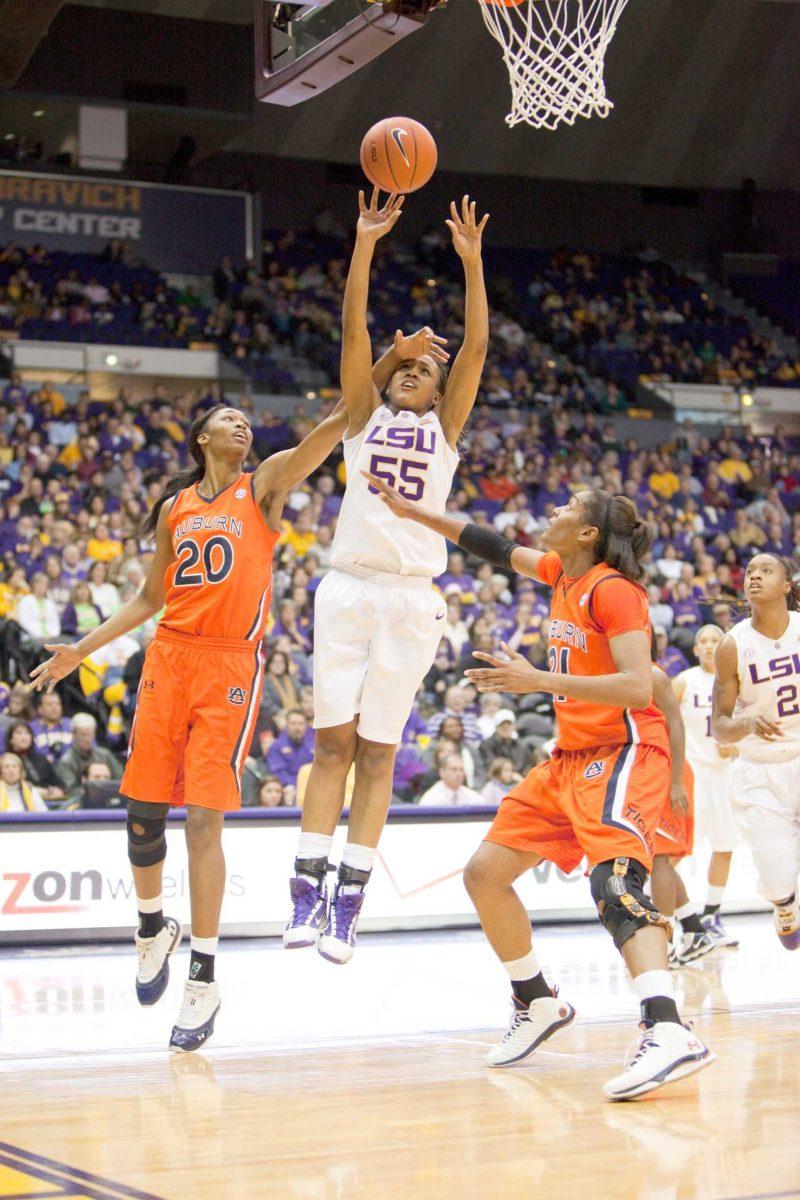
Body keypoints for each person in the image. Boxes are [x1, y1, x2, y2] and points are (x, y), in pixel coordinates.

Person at [366, 475, 714, 1100]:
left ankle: (668, 1027)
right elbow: (492, 546)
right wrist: (411, 511)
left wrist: (533, 682)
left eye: (569, 507)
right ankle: (538, 1002)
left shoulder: (615, 593)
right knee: (485, 874)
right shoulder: (559, 572)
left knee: (614, 885)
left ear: (588, 534)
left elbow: (640, 687)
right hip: (569, 757)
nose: (553, 509)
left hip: (625, 750)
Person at [31, 398, 351, 1052]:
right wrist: (80, 651)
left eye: (247, 421)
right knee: (143, 813)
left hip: (228, 666)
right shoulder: (175, 509)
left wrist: (373, 375)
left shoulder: (262, 486)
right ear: (202, 435)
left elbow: (330, 431)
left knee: (204, 817)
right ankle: (153, 927)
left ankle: (203, 974)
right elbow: (152, 598)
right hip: (169, 657)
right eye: (229, 418)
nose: (244, 425)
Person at [286, 190, 489, 965]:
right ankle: (306, 889)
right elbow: (353, 330)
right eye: (409, 364)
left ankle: (350, 901)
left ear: (438, 394)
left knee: (377, 754)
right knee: (330, 748)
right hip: (347, 588)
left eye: (427, 370)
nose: (418, 369)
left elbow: (473, 347)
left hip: (411, 599)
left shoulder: (445, 431)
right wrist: (366, 241)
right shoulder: (362, 420)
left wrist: (471, 262)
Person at [712, 553, 800, 951]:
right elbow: (720, 727)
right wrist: (745, 723)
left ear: (787, 585)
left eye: (766, 571)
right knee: (777, 877)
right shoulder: (733, 645)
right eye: (749, 571)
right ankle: (785, 903)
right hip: (760, 769)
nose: (755, 577)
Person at [674, 625, 740, 949]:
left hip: (724, 775)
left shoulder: (737, 682)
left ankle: (712, 916)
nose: (711, 646)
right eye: (705, 641)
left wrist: (737, 746)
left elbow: (749, 727)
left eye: (716, 640)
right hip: (692, 773)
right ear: (696, 649)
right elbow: (661, 722)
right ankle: (676, 916)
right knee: (677, 852)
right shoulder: (684, 681)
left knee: (724, 846)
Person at [648, 651, 715, 967]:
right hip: (653, 771)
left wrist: (675, 782)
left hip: (668, 770)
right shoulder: (622, 676)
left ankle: (666, 942)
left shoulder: (652, 676)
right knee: (656, 860)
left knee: (659, 858)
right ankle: (693, 928)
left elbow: (675, 725)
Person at [55, 712, 123, 805]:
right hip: (80, 802)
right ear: (74, 734)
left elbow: (121, 780)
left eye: (90, 734)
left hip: (109, 799)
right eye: (83, 734)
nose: (87, 738)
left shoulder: (105, 755)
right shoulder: (66, 761)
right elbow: (72, 790)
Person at [266, 708, 315, 790]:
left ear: (306, 726)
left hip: (311, 786)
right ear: (286, 725)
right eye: (293, 723)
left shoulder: (313, 746)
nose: (297, 728)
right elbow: (278, 772)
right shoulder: (277, 746)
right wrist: (291, 785)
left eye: (301, 724)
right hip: (288, 787)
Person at [418, 754, 482, 808]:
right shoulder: (430, 799)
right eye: (454, 769)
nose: (459, 774)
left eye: (461, 770)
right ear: (441, 772)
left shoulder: (473, 796)